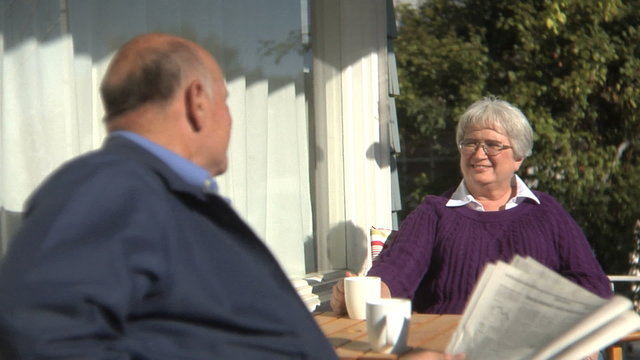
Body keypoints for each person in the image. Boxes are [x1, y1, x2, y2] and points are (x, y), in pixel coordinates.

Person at [0, 33, 458, 360]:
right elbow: (43, 336)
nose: (229, 119)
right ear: (197, 101)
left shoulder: (162, 195)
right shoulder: (108, 186)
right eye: (224, 99)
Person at [331, 97, 613, 316]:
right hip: (453, 349)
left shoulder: (547, 212)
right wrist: (357, 296)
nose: (479, 154)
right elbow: (395, 275)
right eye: (470, 143)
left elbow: (593, 285)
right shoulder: (435, 212)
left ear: (518, 157)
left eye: (492, 145)